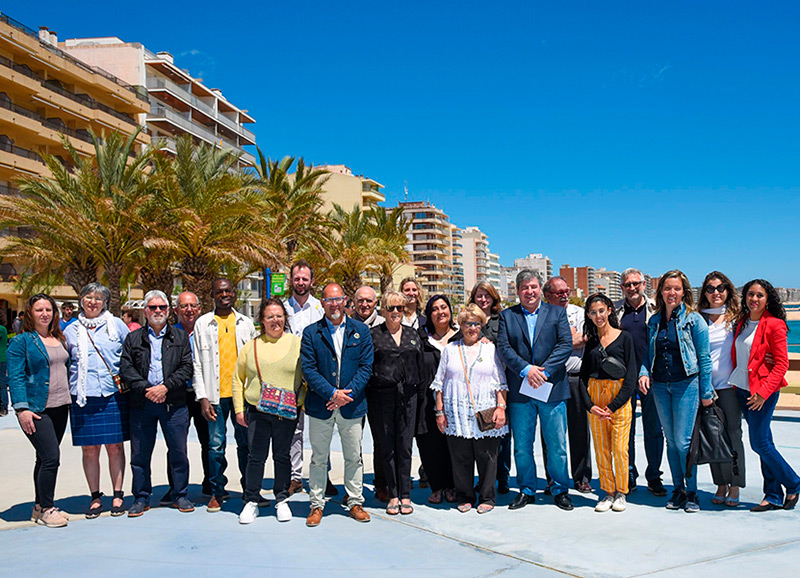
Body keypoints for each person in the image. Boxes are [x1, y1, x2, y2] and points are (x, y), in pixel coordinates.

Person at [496, 270, 574, 511]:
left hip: (551, 389)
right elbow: (504, 347)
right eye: (524, 288)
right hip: (521, 391)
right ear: (517, 291)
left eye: (533, 286)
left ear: (540, 289)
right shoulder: (507, 316)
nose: (529, 292)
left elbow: (565, 345)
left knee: (557, 444)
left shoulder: (558, 313)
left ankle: (560, 489)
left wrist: (544, 372)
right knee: (522, 445)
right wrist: (527, 370)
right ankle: (527, 489)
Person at [638, 270, 713, 513]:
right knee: (671, 442)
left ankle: (692, 491)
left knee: (683, 443)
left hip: (686, 385)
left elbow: (704, 358)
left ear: (684, 292)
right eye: (667, 288)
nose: (672, 293)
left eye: (677, 289)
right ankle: (678, 489)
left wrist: (706, 391)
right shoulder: (654, 321)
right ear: (660, 292)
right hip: (660, 386)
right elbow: (649, 355)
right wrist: (643, 373)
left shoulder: (694, 320)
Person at [301, 283, 374, 527]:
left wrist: (344, 396)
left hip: (352, 406)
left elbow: (366, 367)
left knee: (354, 457)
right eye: (329, 300)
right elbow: (309, 370)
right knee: (319, 458)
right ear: (322, 303)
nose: (334, 304)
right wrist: (332, 393)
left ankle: (355, 501)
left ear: (345, 301)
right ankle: (316, 505)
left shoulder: (361, 331)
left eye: (338, 299)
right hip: (321, 406)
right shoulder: (311, 333)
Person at [119, 290, 194, 517]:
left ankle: (179, 494)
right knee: (140, 454)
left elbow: (186, 367)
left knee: (178, 451)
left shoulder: (180, 338)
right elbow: (126, 368)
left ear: (169, 311)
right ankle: (141, 497)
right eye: (153, 308)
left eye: (162, 307)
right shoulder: (133, 338)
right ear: (145, 311)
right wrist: (147, 389)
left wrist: (165, 387)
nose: (158, 311)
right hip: (143, 404)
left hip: (174, 403)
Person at [729, 279, 800, 512]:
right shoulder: (742, 322)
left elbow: (781, 364)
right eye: (750, 294)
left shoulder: (775, 324)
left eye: (760, 295)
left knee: (759, 444)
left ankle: (794, 482)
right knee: (765, 442)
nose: (754, 299)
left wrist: (762, 393)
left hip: (761, 393)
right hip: (741, 389)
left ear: (767, 298)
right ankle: (773, 495)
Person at [63, 282, 130, 518]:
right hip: (83, 397)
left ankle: (118, 495)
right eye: (88, 297)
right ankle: (95, 497)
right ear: (81, 299)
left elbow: (131, 354)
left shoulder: (117, 326)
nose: (93, 301)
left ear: (105, 302)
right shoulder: (70, 330)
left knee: (115, 447)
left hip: (113, 395)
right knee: (90, 449)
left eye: (98, 298)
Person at [432, 304, 508, 514]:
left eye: (476, 324)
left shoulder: (490, 349)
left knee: (488, 458)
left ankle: (487, 497)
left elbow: (501, 382)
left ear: (482, 325)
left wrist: (501, 408)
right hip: (457, 413)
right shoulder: (450, 349)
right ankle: (464, 495)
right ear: (460, 325)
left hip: (486, 411)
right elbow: (440, 383)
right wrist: (440, 412)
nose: (472, 328)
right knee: (460, 457)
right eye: (467, 323)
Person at [234, 298, 303, 524]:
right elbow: (237, 379)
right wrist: (238, 409)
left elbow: (306, 376)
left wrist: (300, 400)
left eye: (279, 316)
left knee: (282, 456)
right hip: (257, 411)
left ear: (286, 318)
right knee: (256, 457)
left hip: (286, 411)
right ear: (262, 321)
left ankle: (281, 499)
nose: (276, 320)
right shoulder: (251, 346)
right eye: (270, 316)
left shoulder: (297, 343)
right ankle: (251, 500)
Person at [192, 278, 259, 512]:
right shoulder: (203, 324)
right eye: (219, 291)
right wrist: (202, 397)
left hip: (242, 397)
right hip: (215, 397)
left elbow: (253, 361)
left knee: (247, 445)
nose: (224, 295)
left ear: (234, 294)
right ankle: (216, 492)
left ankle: (250, 491)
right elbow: (197, 363)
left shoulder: (246, 323)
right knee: (215, 446)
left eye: (228, 291)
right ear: (212, 294)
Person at [7, 294, 71, 527]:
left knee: (43, 458)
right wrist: (21, 408)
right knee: (52, 458)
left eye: (48, 309)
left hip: (61, 406)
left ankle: (38, 506)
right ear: (30, 314)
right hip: (36, 408)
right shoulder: (21, 341)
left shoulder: (59, 338)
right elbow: (14, 376)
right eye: (39, 310)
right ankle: (47, 508)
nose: (44, 314)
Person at [579, 294, 636, 512]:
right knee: (602, 449)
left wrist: (612, 406)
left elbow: (630, 377)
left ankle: (621, 491)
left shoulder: (625, 338)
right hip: (596, 398)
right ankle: (607, 491)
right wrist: (590, 405)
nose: (598, 315)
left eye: (601, 310)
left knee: (620, 449)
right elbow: (583, 377)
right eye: (593, 312)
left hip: (618, 400)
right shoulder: (591, 342)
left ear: (610, 310)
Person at [368, 290, 424, 515]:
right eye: (390, 308)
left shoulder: (412, 334)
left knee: (405, 446)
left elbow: (420, 366)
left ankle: (406, 494)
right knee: (387, 447)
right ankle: (392, 494)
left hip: (408, 398)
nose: (395, 312)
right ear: (382, 310)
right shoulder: (374, 334)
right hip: (382, 399)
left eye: (399, 308)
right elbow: (368, 367)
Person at [614, 268, 666, 496]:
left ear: (644, 285)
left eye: (636, 283)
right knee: (626, 431)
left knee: (654, 431)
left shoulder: (658, 308)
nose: (632, 288)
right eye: (627, 285)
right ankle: (629, 474)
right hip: (623, 379)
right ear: (622, 287)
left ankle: (654, 476)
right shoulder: (614, 310)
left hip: (652, 378)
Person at [697, 271, 745, 507]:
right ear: (704, 293)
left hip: (730, 388)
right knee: (713, 437)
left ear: (728, 290)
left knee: (733, 436)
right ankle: (721, 483)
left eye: (721, 288)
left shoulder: (737, 317)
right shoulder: (697, 318)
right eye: (710, 288)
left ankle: (735, 485)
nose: (716, 293)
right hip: (706, 389)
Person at [543, 276, 592, 494]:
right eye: (558, 293)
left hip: (575, 377)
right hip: (550, 380)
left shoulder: (579, 314)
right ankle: (553, 478)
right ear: (547, 296)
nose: (564, 296)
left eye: (567, 291)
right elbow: (541, 345)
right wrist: (569, 341)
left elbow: (588, 338)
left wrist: (560, 343)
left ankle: (581, 477)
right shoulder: (540, 315)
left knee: (579, 431)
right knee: (551, 434)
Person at [284, 260, 326, 496]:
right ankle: (295, 477)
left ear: (312, 281)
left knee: (322, 429)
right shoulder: (282, 308)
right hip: (291, 379)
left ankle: (323, 475)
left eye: (305, 279)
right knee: (295, 431)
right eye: (297, 278)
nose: (301, 283)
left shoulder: (320, 309)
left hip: (318, 379)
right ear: (291, 280)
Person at [416, 294, 459, 504]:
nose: (440, 311)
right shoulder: (421, 338)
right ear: (428, 314)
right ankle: (437, 486)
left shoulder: (461, 337)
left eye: (444, 307)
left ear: (450, 311)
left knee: (454, 445)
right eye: (434, 308)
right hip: (426, 401)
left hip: (456, 402)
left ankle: (452, 486)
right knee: (430, 445)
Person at [468, 281, 510, 494]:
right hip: (476, 387)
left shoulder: (501, 320)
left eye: (487, 296)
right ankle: (484, 479)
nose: (483, 300)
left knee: (501, 434)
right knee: (480, 435)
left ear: (494, 298)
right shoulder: (469, 319)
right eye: (479, 296)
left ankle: (502, 477)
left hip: (499, 385)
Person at [172, 291, 212, 499]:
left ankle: (211, 483)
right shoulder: (170, 333)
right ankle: (177, 487)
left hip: (203, 395)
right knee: (177, 443)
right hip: (179, 395)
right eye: (184, 306)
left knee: (209, 441)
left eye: (192, 306)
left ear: (199, 309)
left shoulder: (206, 331)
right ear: (176, 309)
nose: (188, 310)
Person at [353, 285, 389, 503]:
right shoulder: (346, 325)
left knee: (381, 440)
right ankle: (354, 486)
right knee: (353, 441)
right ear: (354, 303)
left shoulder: (385, 325)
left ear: (376, 303)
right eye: (361, 301)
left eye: (369, 301)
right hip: (354, 392)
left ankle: (382, 483)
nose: (365, 304)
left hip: (378, 392)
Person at [0, 309, 8, 417]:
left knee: (1, 384)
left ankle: (3, 406)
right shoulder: (3, 329)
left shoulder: (1, 329)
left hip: (1, 359)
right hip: (2, 359)